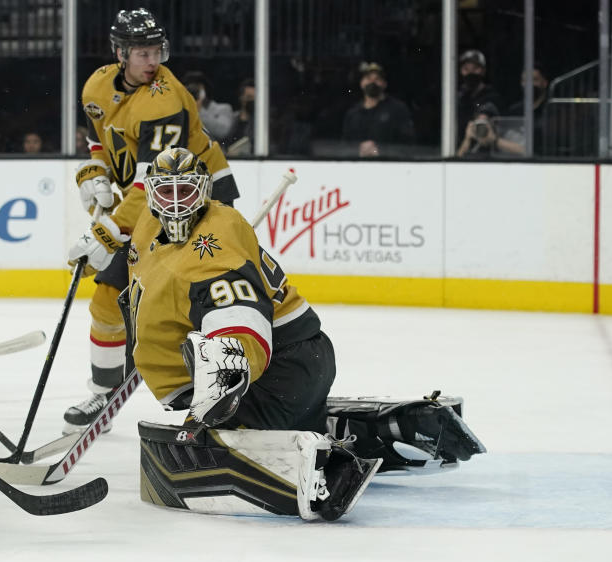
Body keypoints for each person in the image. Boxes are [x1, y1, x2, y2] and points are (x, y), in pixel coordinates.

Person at [69, 147, 380, 521]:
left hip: (280, 369)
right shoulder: (149, 221)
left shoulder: (215, 242)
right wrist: (108, 238)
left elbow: (241, 317)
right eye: (165, 192)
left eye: (185, 191)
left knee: (204, 451)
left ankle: (329, 463)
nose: (175, 203)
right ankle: (314, 420)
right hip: (290, 361)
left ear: (204, 191)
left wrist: (228, 369)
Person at [66, 7, 239, 434]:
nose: (152, 61)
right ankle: (102, 394)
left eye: (156, 51)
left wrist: (108, 231)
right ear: (121, 53)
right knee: (108, 298)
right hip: (151, 205)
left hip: (198, 200)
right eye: (142, 53)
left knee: (200, 299)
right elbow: (98, 139)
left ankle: (222, 389)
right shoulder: (97, 86)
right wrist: (94, 172)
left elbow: (150, 185)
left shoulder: (165, 99)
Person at [341, 62, 414, 157]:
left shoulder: (398, 110)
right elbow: (345, 147)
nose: (372, 82)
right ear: (361, 83)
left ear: (384, 84)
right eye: (368, 78)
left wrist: (378, 151)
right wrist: (359, 150)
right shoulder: (353, 113)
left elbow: (408, 145)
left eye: (377, 79)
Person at [457, 49, 503, 142]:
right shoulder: (459, 97)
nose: (470, 73)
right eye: (466, 69)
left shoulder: (492, 97)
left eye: (475, 68)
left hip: (482, 150)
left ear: (483, 70)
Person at [182, 70, 234, 141]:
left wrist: (199, 111)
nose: (193, 92)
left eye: (197, 87)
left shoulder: (223, 108)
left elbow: (223, 132)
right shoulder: (181, 110)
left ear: (204, 88)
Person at [223, 77, 255, 157]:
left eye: (255, 98)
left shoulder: (262, 125)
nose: (253, 101)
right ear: (241, 98)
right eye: (249, 97)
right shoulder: (230, 120)